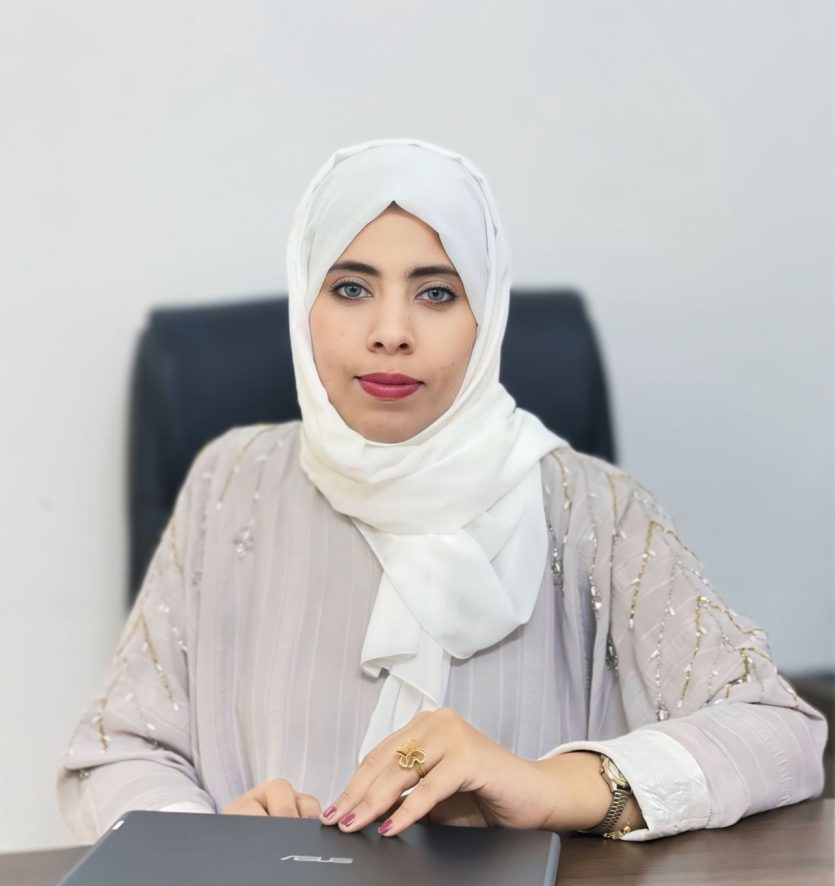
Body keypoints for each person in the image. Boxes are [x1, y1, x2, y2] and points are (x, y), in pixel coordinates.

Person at [57, 138, 827, 846]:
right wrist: (209, 845)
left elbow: (779, 737)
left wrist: (551, 787)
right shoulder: (231, 483)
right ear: (304, 304)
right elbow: (119, 751)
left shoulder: (593, 508)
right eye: (350, 288)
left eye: (435, 293)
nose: (391, 331)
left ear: (485, 314)